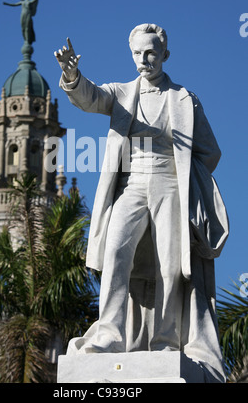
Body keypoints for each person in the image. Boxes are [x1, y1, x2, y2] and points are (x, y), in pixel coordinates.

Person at [55, 24, 229, 382]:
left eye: (150, 52)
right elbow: (90, 97)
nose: (143, 59)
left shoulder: (186, 99)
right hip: (132, 184)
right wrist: (72, 76)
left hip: (170, 184)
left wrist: (183, 172)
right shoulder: (121, 93)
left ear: (164, 54)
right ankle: (109, 335)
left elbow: (210, 152)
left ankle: (166, 340)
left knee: (170, 264)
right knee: (115, 253)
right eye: (137, 53)